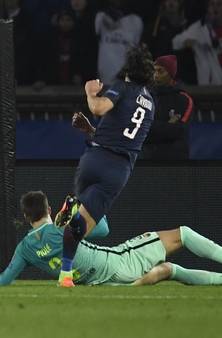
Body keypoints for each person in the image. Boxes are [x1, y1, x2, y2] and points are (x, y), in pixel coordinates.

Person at [0, 191, 222, 287]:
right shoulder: (61, 229)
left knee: (170, 270)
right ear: (48, 209)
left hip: (104, 285)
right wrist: (78, 209)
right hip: (119, 261)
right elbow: (103, 228)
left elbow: (6, 280)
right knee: (182, 234)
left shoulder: (24, 247)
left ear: (25, 218)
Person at [55, 43, 155, 288]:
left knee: (75, 225)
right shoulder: (151, 105)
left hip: (95, 158)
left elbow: (99, 107)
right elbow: (124, 136)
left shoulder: (122, 87)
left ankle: (66, 269)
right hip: (117, 169)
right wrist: (91, 130)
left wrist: (90, 93)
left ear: (127, 70)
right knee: (80, 229)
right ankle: (66, 274)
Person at [140, 55, 193, 160]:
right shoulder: (146, 98)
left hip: (175, 165)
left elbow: (178, 131)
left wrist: (149, 125)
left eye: (160, 71)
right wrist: (167, 126)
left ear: (171, 74)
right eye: (154, 71)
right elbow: (138, 132)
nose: (155, 76)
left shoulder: (183, 100)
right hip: (148, 164)